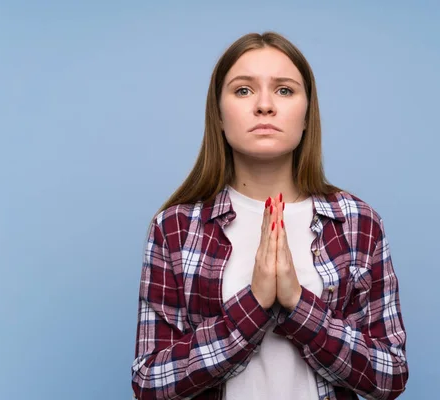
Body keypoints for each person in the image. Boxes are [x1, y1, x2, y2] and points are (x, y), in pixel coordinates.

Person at [131, 31, 408, 400]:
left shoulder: (358, 223)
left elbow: (390, 375)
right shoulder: (175, 228)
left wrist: (298, 303)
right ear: (218, 115)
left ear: (307, 114)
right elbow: (149, 382)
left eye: (284, 90)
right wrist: (253, 305)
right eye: (243, 90)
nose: (264, 105)